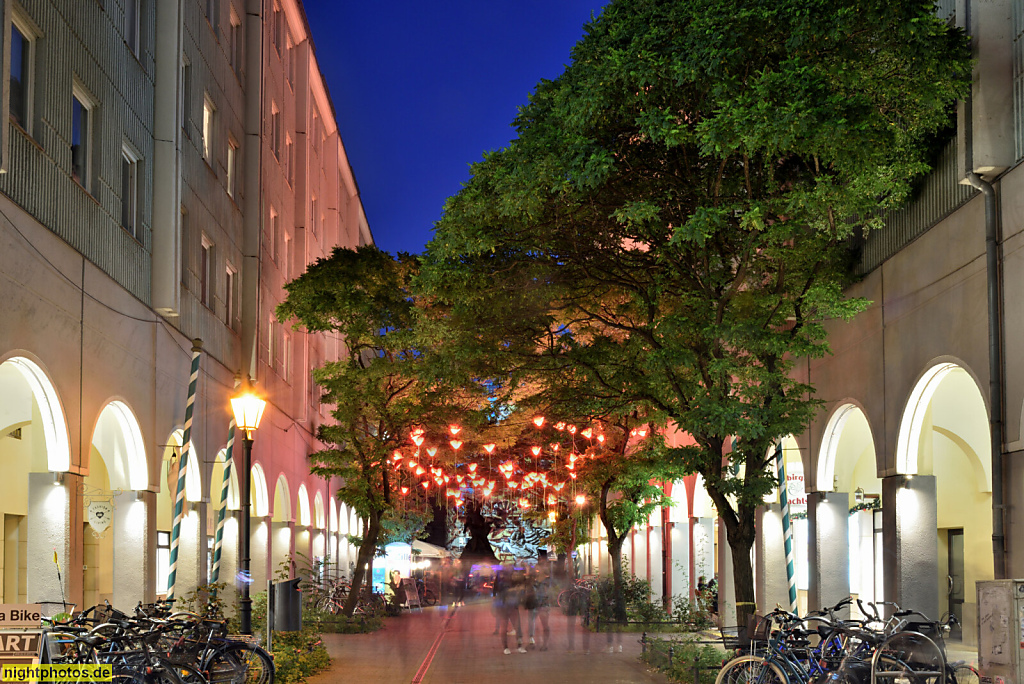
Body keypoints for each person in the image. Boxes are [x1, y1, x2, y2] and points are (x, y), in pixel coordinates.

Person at [496, 563, 526, 654]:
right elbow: (502, 593)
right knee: (504, 627)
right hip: (504, 607)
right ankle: (505, 647)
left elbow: (521, 591)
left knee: (518, 627)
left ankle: (519, 646)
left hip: (513, 606)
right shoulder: (502, 582)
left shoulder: (515, 582)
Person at [526, 553, 552, 650]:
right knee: (531, 622)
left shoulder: (546, 581)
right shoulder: (536, 580)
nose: (536, 570)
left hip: (543, 604)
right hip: (535, 603)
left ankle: (545, 644)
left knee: (544, 624)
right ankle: (532, 641)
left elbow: (547, 593)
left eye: (538, 569)